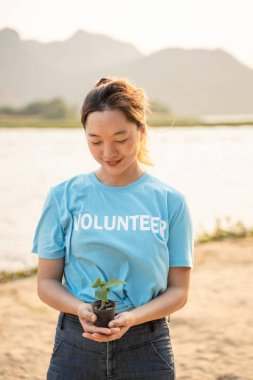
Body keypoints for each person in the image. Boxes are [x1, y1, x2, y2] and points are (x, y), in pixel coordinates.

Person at [31, 76, 194, 380]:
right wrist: (80, 308)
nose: (108, 152)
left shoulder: (170, 201)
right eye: (95, 141)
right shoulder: (63, 196)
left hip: (147, 347)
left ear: (141, 131)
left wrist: (132, 317)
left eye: (121, 139)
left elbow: (179, 291)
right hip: (75, 344)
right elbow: (46, 283)